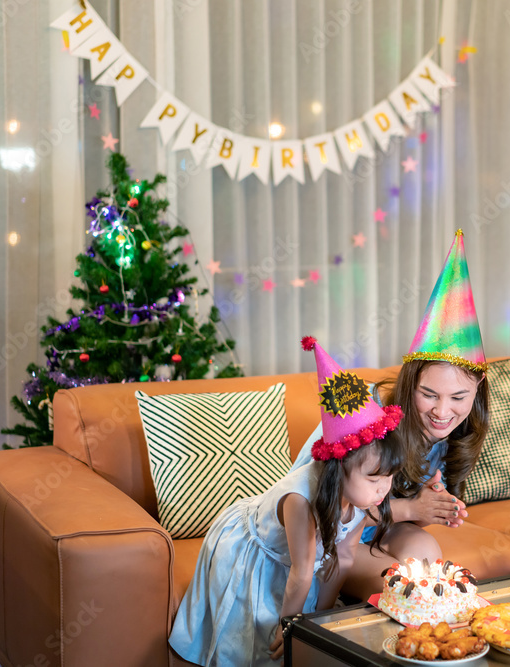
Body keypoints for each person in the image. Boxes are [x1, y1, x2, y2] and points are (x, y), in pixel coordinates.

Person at [169, 337, 405, 666]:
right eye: (374, 478)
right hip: (256, 548)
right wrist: (292, 627)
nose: (384, 489)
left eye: (390, 476)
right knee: (256, 641)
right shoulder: (301, 499)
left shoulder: (365, 498)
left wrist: (320, 621)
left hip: (298, 563)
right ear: (339, 467)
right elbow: (302, 572)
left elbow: (345, 557)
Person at [292, 229, 490, 599]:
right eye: (428, 394)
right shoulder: (369, 418)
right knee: (410, 589)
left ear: (478, 386)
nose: (442, 412)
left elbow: (407, 506)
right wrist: (412, 507)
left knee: (428, 554)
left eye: (458, 397)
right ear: (409, 383)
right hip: (330, 537)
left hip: (379, 529)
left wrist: (434, 507)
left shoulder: (460, 431)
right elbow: (327, 514)